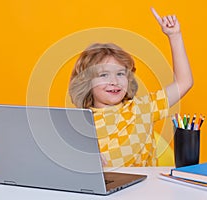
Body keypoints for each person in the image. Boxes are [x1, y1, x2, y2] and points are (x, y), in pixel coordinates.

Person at [68, 7, 193, 167]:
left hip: (144, 190)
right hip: (102, 189)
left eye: (120, 74)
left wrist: (174, 36)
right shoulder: (78, 124)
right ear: (87, 83)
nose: (114, 81)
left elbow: (184, 82)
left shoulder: (143, 109)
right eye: (104, 75)